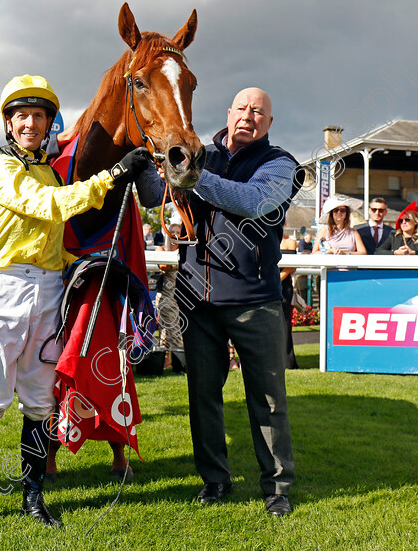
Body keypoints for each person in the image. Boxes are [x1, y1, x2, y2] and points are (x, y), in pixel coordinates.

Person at [0, 74, 148, 536]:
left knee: (40, 402)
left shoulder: (44, 167)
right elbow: (49, 206)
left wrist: (88, 262)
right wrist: (115, 174)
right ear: (8, 122)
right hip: (2, 291)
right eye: (21, 115)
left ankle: (32, 497)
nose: (30, 124)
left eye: (38, 116)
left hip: (46, 290)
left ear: (48, 124)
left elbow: (49, 240)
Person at [136, 87, 299, 516]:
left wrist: (191, 172)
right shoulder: (197, 150)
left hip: (255, 299)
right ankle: (214, 480)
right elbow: (155, 195)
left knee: (267, 398)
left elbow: (252, 201)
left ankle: (277, 487)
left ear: (269, 122)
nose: (248, 116)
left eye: (258, 111)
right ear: (229, 113)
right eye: (242, 108)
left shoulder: (281, 164)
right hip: (197, 300)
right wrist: (140, 164)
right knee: (202, 395)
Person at [155, 219, 186, 374]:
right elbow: (163, 266)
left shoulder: (187, 250)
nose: (175, 235)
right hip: (167, 296)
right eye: (172, 232)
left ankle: (172, 362)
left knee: (174, 330)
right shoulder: (161, 249)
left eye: (178, 233)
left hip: (184, 297)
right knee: (167, 330)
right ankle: (169, 362)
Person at [280, 226, 298, 369]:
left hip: (283, 287)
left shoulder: (290, 242)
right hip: (265, 284)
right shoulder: (262, 238)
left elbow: (291, 267)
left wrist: (276, 279)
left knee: (285, 323)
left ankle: (288, 362)